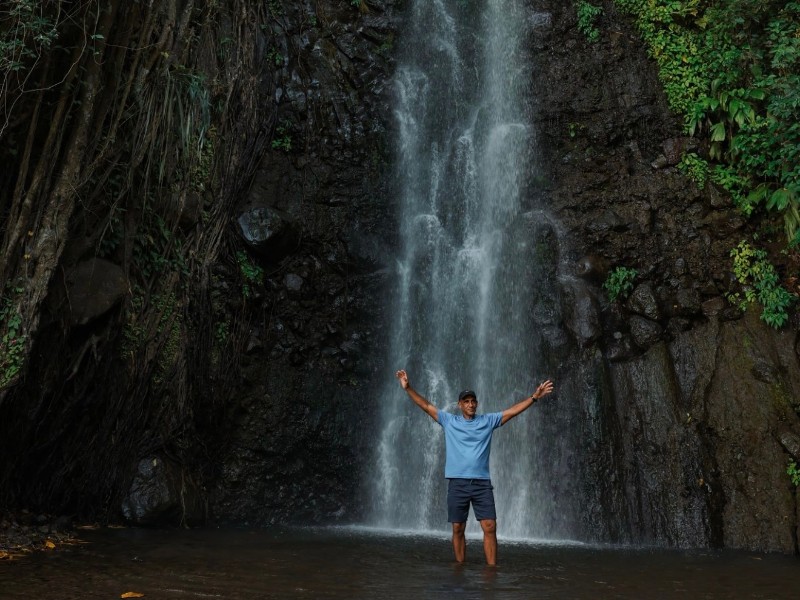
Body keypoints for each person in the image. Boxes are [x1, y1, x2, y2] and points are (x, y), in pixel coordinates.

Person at [394, 369, 554, 566]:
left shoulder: (488, 421)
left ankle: (492, 569)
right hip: (457, 483)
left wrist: (534, 397)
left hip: (481, 484)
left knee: (490, 526)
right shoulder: (449, 421)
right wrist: (408, 388)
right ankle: (460, 567)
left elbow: (512, 411)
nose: (470, 404)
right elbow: (426, 406)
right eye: (466, 401)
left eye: (473, 401)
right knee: (458, 528)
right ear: (460, 404)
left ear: (476, 403)